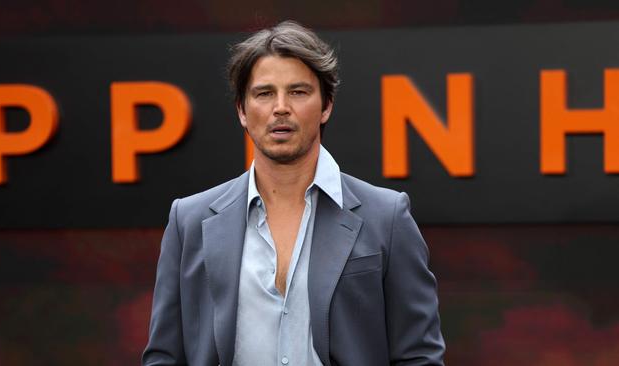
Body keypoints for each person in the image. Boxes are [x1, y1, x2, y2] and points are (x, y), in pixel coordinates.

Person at [142, 20, 445, 366]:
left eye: (298, 92)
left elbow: (419, 356)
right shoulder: (189, 221)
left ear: (326, 105)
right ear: (242, 110)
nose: (281, 107)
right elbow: (164, 356)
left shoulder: (386, 217)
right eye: (264, 93)